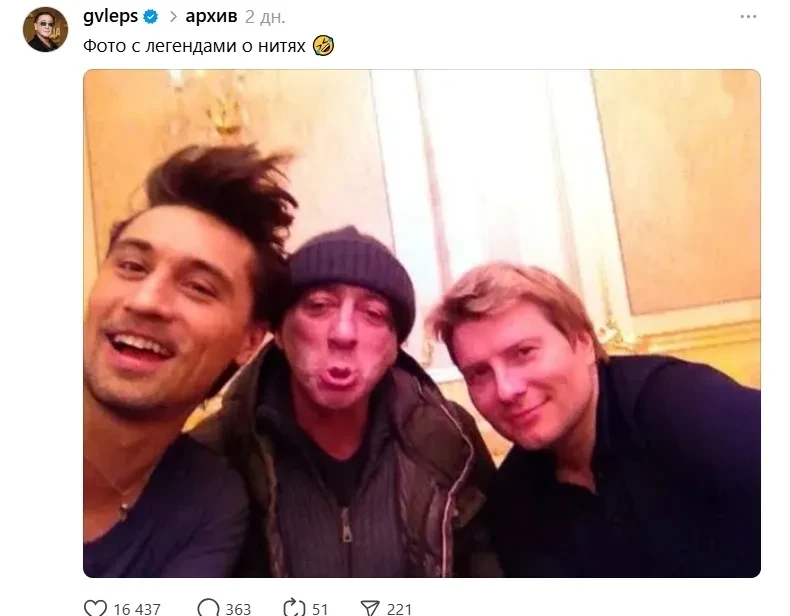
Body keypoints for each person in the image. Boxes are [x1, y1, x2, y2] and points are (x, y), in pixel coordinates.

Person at [191, 226, 502, 577]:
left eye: (373, 314)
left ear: (395, 348)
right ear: (278, 331)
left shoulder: (450, 440)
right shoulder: (211, 457)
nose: (343, 333)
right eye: (319, 306)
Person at [426, 261, 760, 577]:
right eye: (479, 373)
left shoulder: (683, 407)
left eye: (524, 352)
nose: (506, 390)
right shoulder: (515, 500)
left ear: (583, 342)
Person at [83, 144, 299, 577]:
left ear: (250, 341)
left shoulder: (209, 502)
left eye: (199, 287)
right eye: (132, 266)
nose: (146, 301)